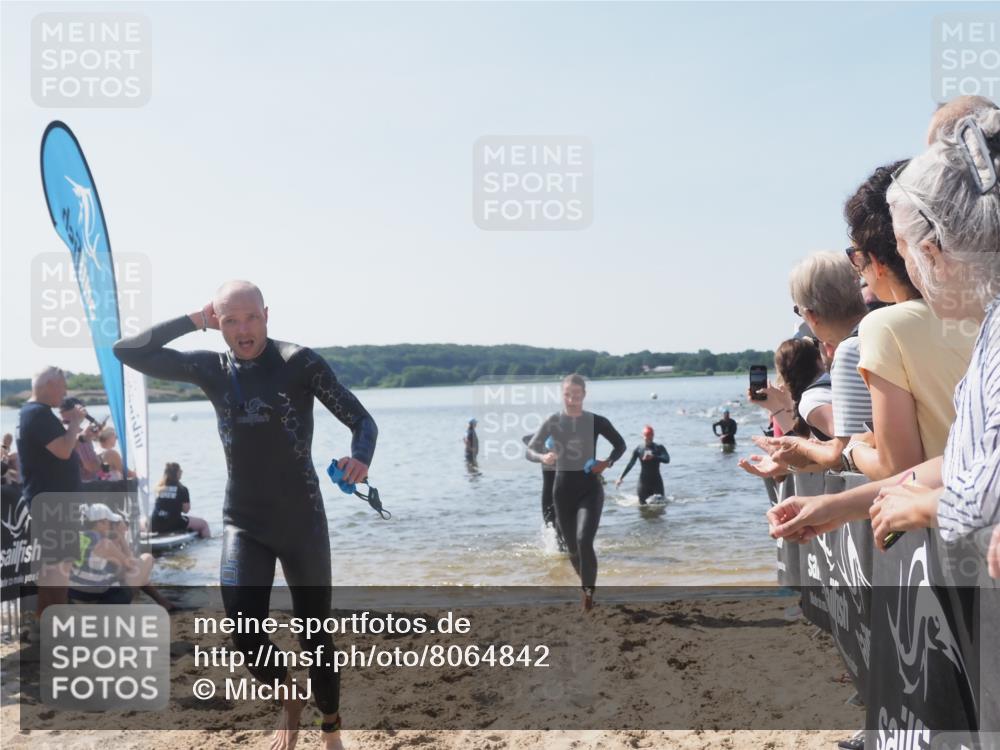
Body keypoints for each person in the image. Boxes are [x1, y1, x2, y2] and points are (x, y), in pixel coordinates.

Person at [113, 280, 376, 750]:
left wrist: (360, 457)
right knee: (244, 633)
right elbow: (127, 351)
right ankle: (290, 698)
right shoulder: (212, 368)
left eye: (251, 317)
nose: (243, 329)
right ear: (217, 323)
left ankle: (331, 727)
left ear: (267, 314)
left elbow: (362, 420)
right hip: (244, 522)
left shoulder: (299, 362)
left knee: (315, 634)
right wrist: (191, 319)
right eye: (229, 320)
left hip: (302, 521)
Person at [767, 107, 1000, 559]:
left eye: (904, 249)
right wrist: (837, 506)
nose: (903, 265)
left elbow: (983, 496)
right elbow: (963, 467)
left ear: (934, 253)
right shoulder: (987, 328)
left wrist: (924, 506)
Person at [752, 251, 871, 472]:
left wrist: (798, 445)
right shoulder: (888, 326)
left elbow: (844, 452)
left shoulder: (850, 351)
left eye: (799, 312)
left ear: (812, 315)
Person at [526, 374, 626, 611]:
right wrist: (543, 456)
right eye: (567, 394)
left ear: (584, 395)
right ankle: (588, 586)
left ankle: (587, 596)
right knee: (571, 548)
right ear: (562, 395)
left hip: (590, 489)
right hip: (562, 492)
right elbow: (530, 450)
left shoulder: (596, 421)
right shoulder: (553, 421)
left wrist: (607, 462)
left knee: (583, 540)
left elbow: (620, 445)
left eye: (576, 394)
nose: (571, 399)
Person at [16, 367, 85, 617]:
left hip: (53, 502)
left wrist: (76, 433)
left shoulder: (34, 413)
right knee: (55, 569)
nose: (65, 393)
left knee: (56, 568)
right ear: (48, 385)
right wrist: (75, 423)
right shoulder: (37, 414)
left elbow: (59, 449)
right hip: (52, 504)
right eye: (63, 386)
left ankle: (48, 625)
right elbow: (63, 451)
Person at [739, 337, 833, 480]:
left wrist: (776, 409)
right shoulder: (828, 387)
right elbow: (834, 454)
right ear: (818, 360)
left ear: (783, 376)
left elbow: (838, 454)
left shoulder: (813, 399)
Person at [69, 503, 153, 604]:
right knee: (147, 559)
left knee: (118, 573)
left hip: (74, 592)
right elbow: (131, 565)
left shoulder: (78, 536)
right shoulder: (104, 543)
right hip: (93, 596)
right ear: (100, 523)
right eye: (109, 523)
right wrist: (121, 537)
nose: (110, 526)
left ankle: (163, 602)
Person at [522, 433, 564, 551]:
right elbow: (526, 439)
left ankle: (565, 558)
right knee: (551, 528)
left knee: (561, 530)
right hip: (548, 497)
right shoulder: (545, 450)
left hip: (563, 495)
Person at [151, 462, 210, 538]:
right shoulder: (182, 489)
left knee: (143, 520)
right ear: (177, 473)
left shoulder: (158, 488)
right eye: (180, 470)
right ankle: (207, 543)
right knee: (204, 524)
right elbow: (186, 510)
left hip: (155, 523)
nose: (182, 472)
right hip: (173, 523)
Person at [615, 425, 670, 504]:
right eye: (647, 437)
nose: (648, 439)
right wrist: (621, 477)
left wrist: (653, 457)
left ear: (653, 436)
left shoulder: (659, 448)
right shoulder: (639, 449)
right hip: (643, 482)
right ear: (643, 437)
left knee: (660, 506)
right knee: (642, 506)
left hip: (656, 482)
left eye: (650, 437)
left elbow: (667, 459)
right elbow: (631, 464)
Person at [59, 397, 101, 482]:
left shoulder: (59, 430)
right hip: (86, 485)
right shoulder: (80, 434)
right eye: (82, 409)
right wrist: (102, 459)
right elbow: (91, 467)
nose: (85, 413)